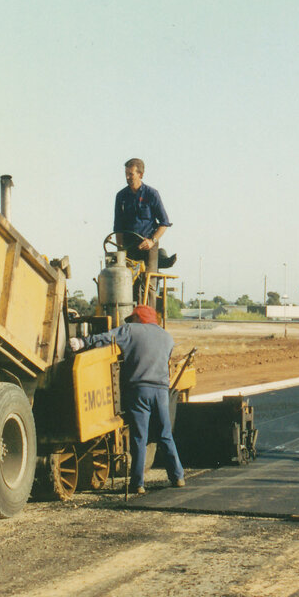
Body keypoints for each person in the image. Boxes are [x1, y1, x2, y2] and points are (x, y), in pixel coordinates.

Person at [70, 305, 184, 494]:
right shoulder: (167, 337)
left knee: (139, 437)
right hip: (161, 391)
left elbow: (106, 338)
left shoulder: (130, 330)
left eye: (133, 319)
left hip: (139, 390)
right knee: (165, 434)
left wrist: (82, 342)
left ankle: (137, 484)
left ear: (139, 318)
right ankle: (178, 477)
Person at [114, 158, 174, 273]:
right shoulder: (121, 196)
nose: (127, 177)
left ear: (140, 174)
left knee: (149, 282)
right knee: (126, 282)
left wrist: (152, 241)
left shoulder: (152, 194)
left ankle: (151, 289)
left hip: (148, 246)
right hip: (129, 247)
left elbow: (164, 223)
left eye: (130, 174)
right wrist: (120, 250)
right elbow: (118, 226)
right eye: (126, 174)